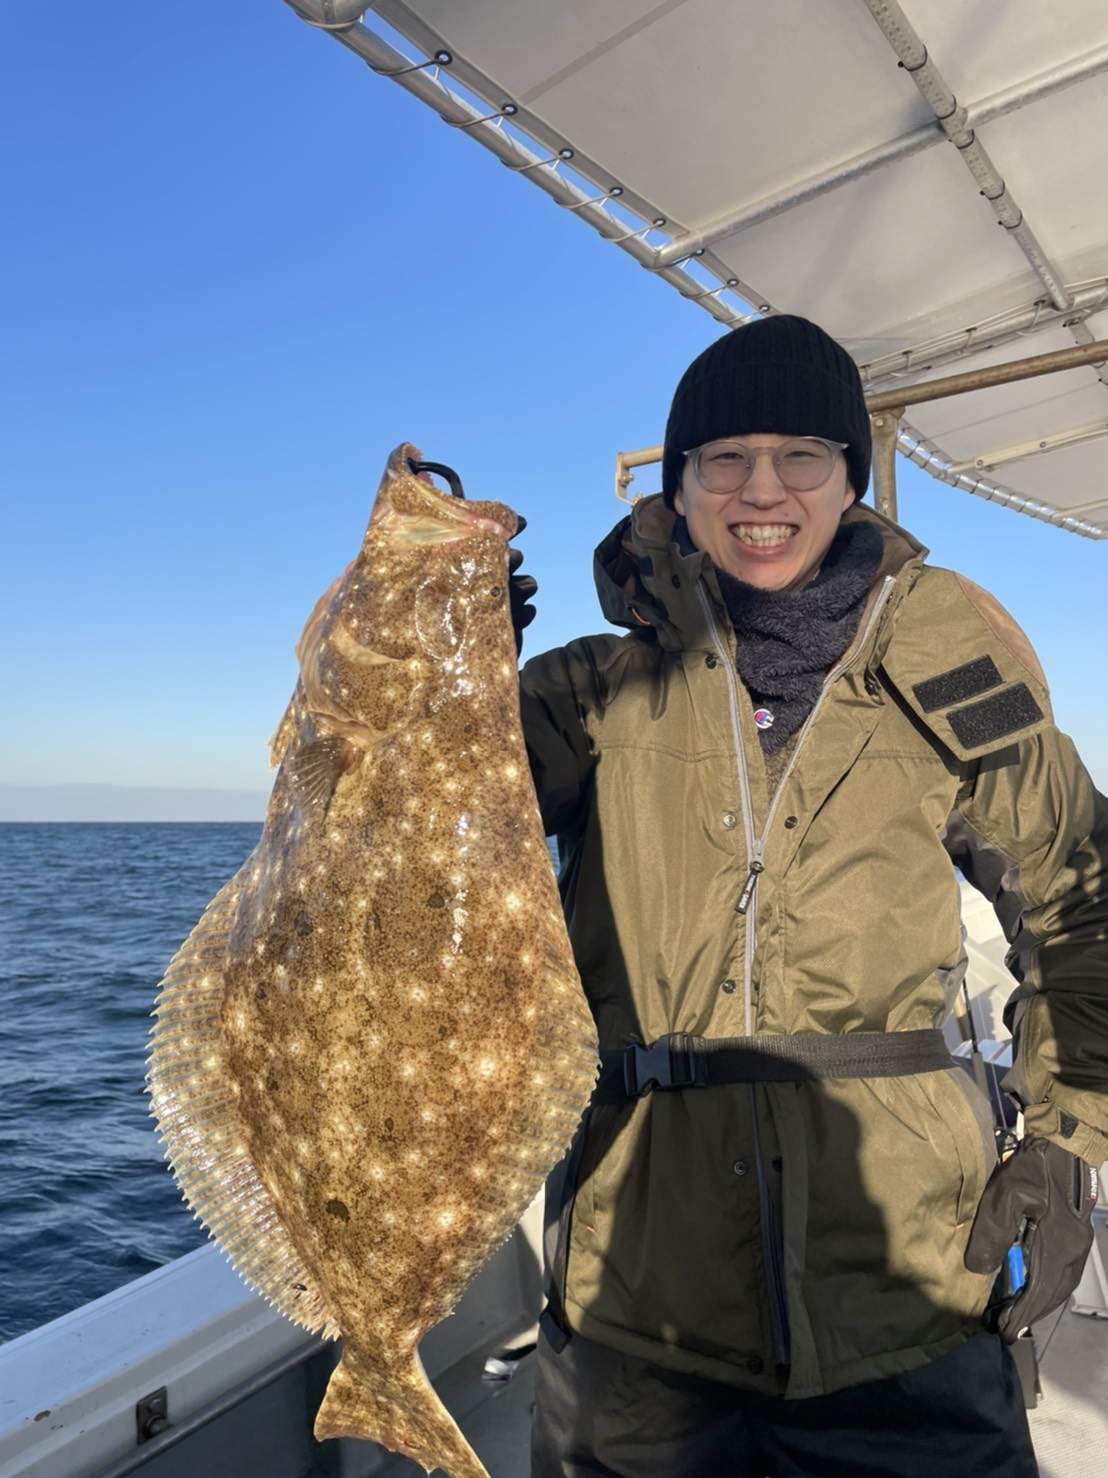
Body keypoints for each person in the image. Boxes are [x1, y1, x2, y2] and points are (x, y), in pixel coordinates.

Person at [511, 315, 1108, 1477]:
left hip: (904, 1296)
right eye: (724, 458)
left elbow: (1083, 902)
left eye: (801, 455)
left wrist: (1068, 1141)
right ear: (677, 487)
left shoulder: (946, 674)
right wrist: (435, 669)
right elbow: (380, 839)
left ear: (850, 480)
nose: (761, 489)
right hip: (635, 1303)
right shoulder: (581, 694)